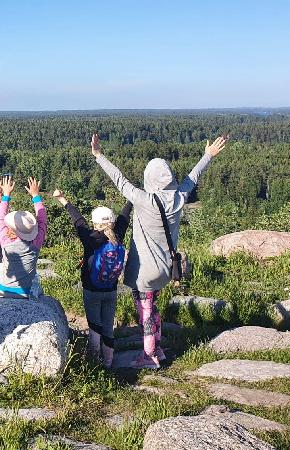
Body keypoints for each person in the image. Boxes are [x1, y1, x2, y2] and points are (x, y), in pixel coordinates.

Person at [92, 133, 228, 369]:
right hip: (166, 269)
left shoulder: (143, 199)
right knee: (153, 309)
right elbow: (193, 177)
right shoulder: (179, 196)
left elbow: (119, 179)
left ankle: (149, 356)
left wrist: (98, 155)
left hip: (144, 272)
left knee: (145, 312)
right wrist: (208, 155)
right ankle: (158, 349)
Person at [53, 189, 132, 368]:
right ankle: (109, 363)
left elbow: (78, 220)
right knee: (108, 327)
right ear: (112, 222)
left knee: (95, 327)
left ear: (95, 224)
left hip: (91, 290)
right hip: (111, 289)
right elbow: (125, 216)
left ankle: (94, 362)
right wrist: (131, 199)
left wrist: (63, 199)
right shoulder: (118, 234)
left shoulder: (90, 238)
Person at [0, 176, 47, 298]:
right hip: (26, 291)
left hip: (4, 289)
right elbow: (43, 220)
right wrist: (35, 196)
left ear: (11, 227)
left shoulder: (6, 240)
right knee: (36, 278)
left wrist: (6, 194)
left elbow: (0, 218)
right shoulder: (36, 242)